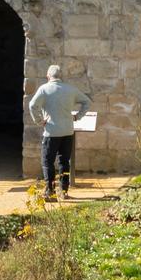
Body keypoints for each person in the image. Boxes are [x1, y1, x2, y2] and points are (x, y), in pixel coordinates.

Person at [28, 64, 92, 201]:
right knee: (64, 162)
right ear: (60, 76)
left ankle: (49, 191)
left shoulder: (44, 89)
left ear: (48, 76)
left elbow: (32, 105)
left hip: (51, 132)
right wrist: (77, 117)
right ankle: (64, 190)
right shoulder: (70, 89)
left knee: (47, 162)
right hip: (68, 131)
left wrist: (39, 121)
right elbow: (87, 102)